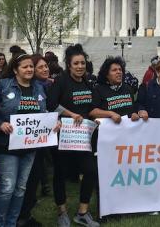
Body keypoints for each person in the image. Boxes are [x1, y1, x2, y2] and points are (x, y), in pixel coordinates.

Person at [0, 53, 57, 227]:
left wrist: (52, 123)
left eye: (31, 66)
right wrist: (0, 124)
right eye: (24, 67)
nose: (29, 69)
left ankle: (11, 223)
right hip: (6, 146)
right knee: (7, 188)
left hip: (30, 147)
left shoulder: (39, 88)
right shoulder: (3, 86)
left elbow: (42, 114)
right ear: (15, 69)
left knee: (20, 189)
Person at [48, 44, 100, 227]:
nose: (80, 66)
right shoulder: (61, 81)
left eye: (82, 63)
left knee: (91, 171)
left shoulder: (88, 82)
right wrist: (70, 115)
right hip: (64, 135)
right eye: (76, 63)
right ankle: (62, 212)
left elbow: (91, 107)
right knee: (61, 174)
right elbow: (51, 104)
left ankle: (82, 212)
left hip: (83, 137)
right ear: (69, 65)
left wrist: (96, 118)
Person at [19, 54, 53, 227]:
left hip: (39, 139)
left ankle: (26, 213)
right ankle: (21, 215)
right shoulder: (27, 87)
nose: (45, 69)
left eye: (46, 66)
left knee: (35, 176)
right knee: (25, 179)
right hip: (23, 140)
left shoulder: (43, 86)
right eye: (40, 67)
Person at [89, 57, 141, 124]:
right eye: (114, 70)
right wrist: (110, 114)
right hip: (109, 132)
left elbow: (133, 108)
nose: (118, 72)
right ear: (107, 75)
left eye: (120, 70)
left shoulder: (128, 88)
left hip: (127, 131)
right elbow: (92, 112)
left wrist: (134, 114)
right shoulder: (98, 89)